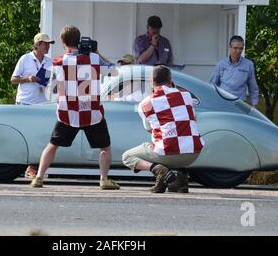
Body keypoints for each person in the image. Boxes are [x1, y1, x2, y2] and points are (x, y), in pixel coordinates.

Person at [30, 25, 120, 190]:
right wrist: (97, 52)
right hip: (91, 112)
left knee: (52, 145)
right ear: (79, 41)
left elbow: (44, 80)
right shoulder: (93, 58)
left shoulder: (57, 61)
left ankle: (39, 177)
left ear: (63, 42)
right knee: (105, 147)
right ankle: (104, 179)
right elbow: (114, 72)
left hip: (67, 112)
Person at [122, 65, 204, 193]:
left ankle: (158, 170)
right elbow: (192, 118)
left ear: (151, 82)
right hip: (194, 152)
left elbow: (149, 129)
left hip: (169, 152)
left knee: (127, 156)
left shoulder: (145, 103)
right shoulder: (186, 95)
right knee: (181, 134)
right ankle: (181, 180)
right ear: (171, 80)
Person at [11, 32, 54, 178]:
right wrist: (29, 79)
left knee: (38, 137)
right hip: (24, 102)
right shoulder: (25, 58)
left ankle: (32, 168)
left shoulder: (49, 62)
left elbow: (51, 80)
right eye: (46, 43)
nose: (48, 46)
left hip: (41, 104)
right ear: (37, 44)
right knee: (22, 136)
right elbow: (13, 79)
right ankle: (18, 166)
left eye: (49, 44)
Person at [210, 35, 259, 106]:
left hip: (239, 103)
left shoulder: (249, 65)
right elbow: (212, 85)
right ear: (229, 47)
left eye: (241, 48)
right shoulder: (220, 64)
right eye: (235, 48)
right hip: (222, 102)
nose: (238, 51)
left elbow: (253, 86)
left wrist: (254, 104)